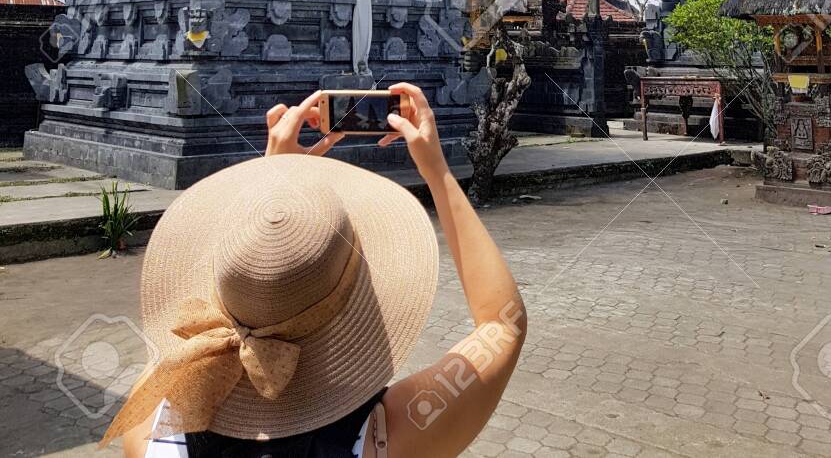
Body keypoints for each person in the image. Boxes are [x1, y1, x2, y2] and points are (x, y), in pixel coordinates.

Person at [106, 82, 526, 457]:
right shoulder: (388, 437)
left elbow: (179, 329)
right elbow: (502, 324)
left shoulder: (154, 427)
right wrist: (437, 171)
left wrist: (270, 197)